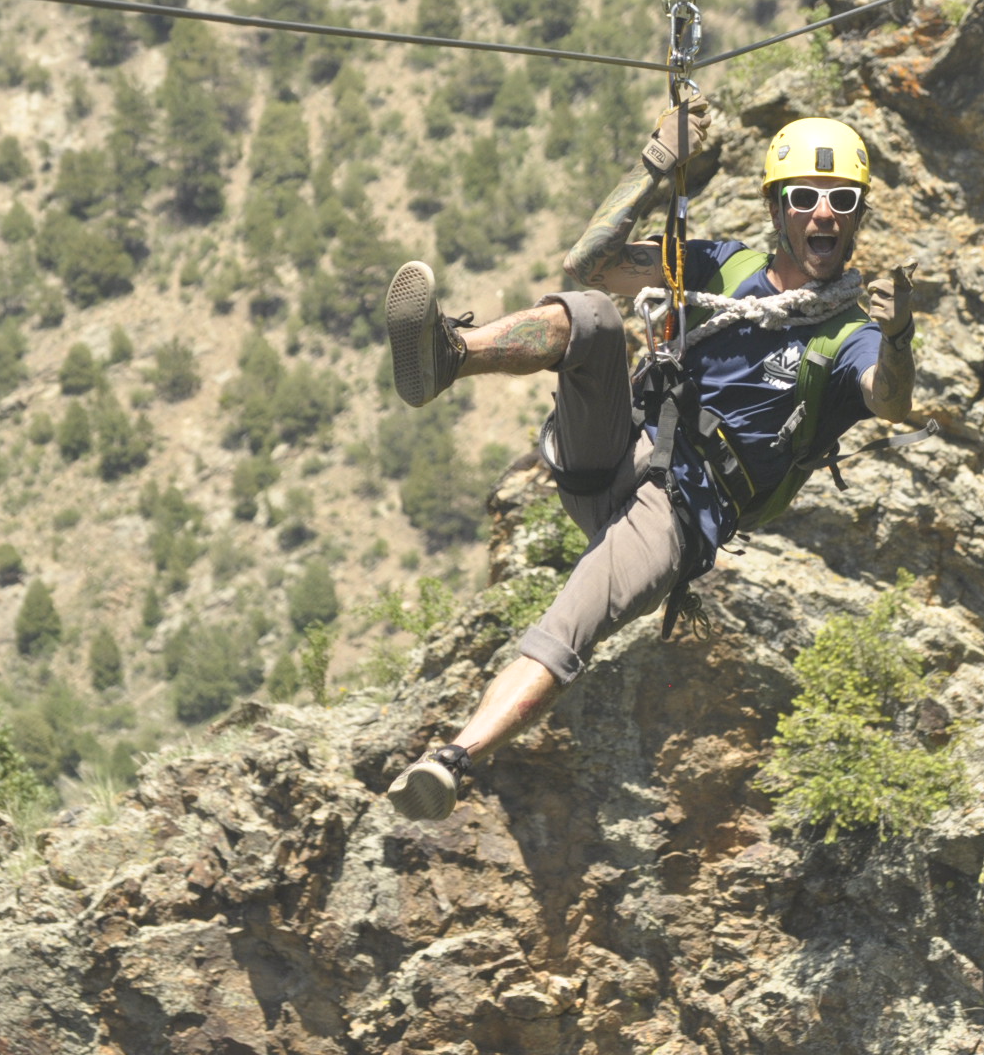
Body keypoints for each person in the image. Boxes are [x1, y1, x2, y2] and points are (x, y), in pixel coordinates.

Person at [377, 102, 917, 822]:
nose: (824, 214)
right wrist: (655, 169)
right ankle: (448, 356)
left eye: (841, 202)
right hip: (621, 440)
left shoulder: (848, 335)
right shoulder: (727, 266)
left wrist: (901, 335)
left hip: (680, 511)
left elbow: (890, 400)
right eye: (806, 198)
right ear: (777, 208)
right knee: (592, 317)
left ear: (857, 218)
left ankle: (453, 760)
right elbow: (590, 266)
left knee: (574, 620)